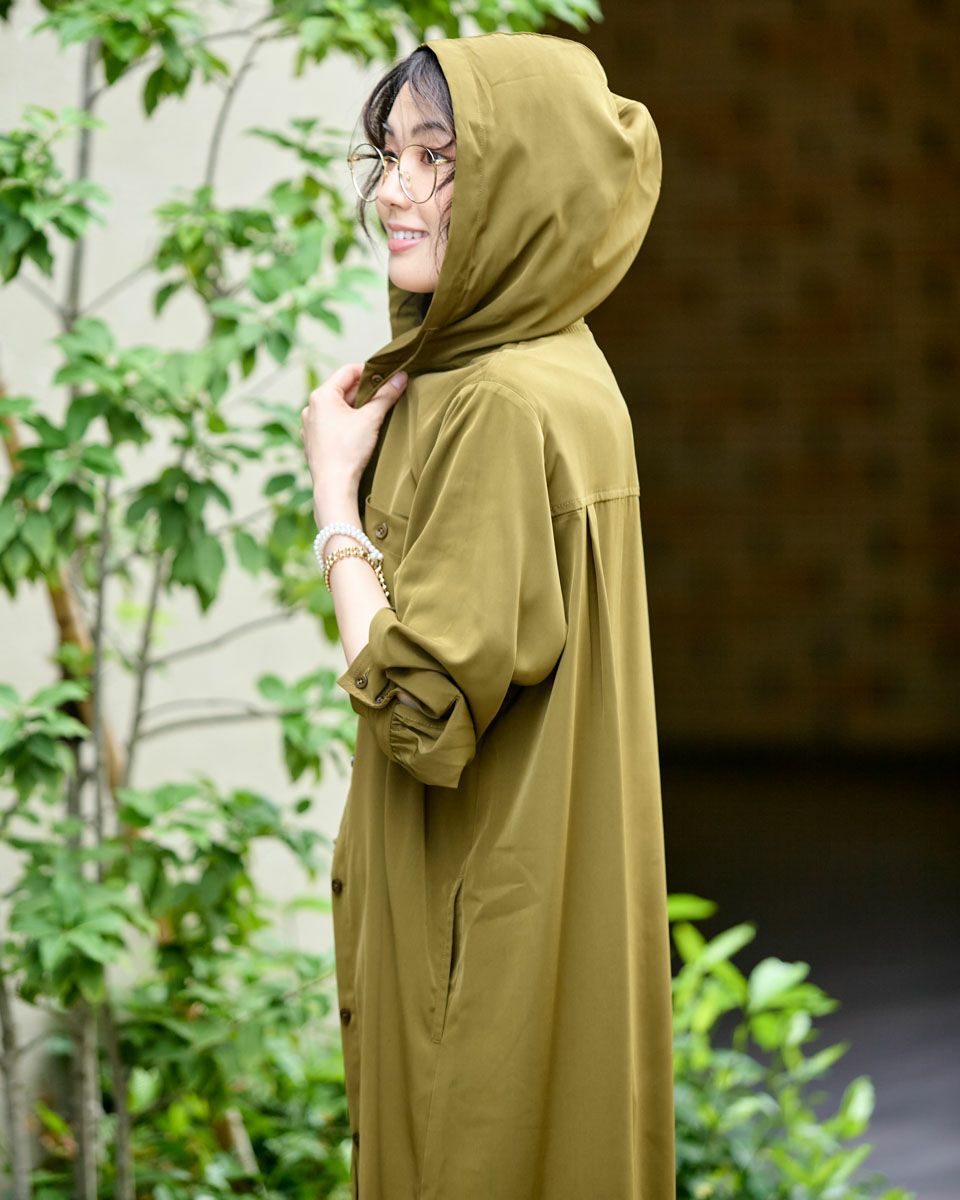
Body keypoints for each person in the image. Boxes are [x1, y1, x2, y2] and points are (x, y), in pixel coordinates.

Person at [300, 30, 673, 1200]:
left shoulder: (496, 404)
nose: (394, 191)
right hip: (529, 921)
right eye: (388, 155)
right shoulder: (562, 367)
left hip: (476, 952)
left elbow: (418, 707)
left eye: (438, 158)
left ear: (525, 182)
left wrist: (333, 504)